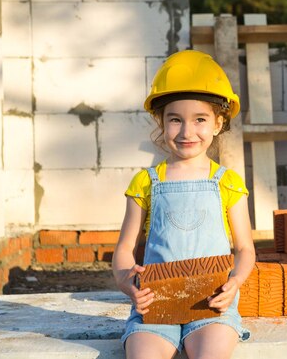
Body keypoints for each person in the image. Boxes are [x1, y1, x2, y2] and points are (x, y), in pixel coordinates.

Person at [113, 49, 255, 359]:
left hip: (211, 306)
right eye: (175, 120)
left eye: (200, 119)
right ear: (161, 122)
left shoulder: (228, 182)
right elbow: (124, 250)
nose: (187, 131)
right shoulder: (146, 183)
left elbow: (245, 249)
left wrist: (235, 282)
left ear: (218, 123)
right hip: (154, 307)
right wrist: (129, 284)